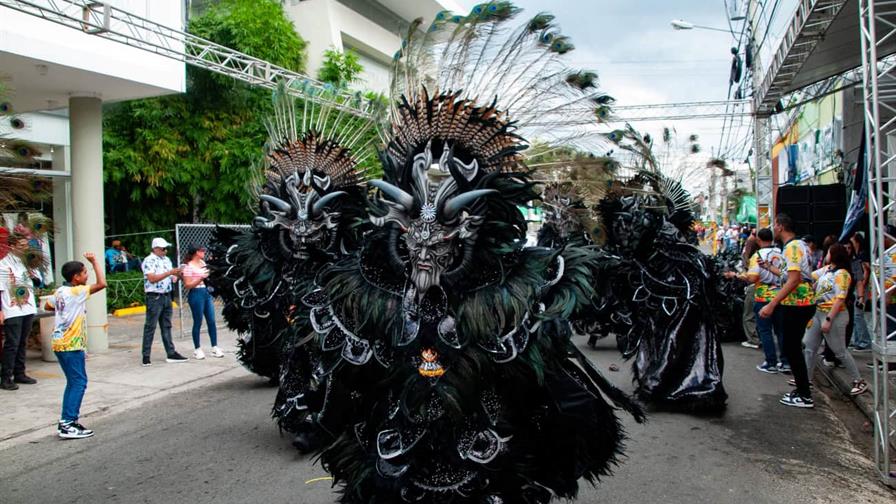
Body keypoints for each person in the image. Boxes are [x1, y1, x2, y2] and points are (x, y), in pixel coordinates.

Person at [44, 252, 107, 438]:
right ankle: (68, 423)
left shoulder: (60, 291)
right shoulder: (76, 292)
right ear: (76, 277)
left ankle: (67, 421)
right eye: (85, 273)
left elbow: (48, 306)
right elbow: (102, 284)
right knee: (79, 383)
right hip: (70, 345)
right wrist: (94, 261)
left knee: (74, 382)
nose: (87, 276)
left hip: (61, 342)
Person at [759, 213, 817, 408]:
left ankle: (804, 395)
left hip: (797, 303)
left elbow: (793, 280)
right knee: (792, 348)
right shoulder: (800, 245)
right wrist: (769, 267)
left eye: (774, 225)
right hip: (801, 302)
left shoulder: (792, 247)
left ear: (781, 227)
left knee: (792, 349)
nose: (773, 229)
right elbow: (789, 275)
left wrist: (771, 304)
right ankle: (802, 390)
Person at [800, 243, 868, 395]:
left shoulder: (842, 274)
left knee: (839, 351)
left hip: (834, 315)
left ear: (835, 254)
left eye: (829, 252)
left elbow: (840, 299)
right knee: (809, 346)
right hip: (818, 312)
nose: (826, 255)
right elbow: (807, 276)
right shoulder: (827, 269)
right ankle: (806, 379)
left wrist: (829, 319)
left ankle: (858, 381)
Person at [729, 228, 789, 373]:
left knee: (765, 331)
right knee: (780, 331)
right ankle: (785, 362)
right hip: (781, 295)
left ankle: (771, 363)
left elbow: (752, 278)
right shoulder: (781, 253)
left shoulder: (758, 255)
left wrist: (736, 275)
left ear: (758, 240)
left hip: (763, 296)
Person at [0, 233, 40, 390]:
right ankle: (6, 377)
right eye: (21, 245)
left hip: (28, 307)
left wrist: (33, 276)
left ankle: (20, 373)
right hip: (12, 309)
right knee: (12, 343)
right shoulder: (3, 265)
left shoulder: (26, 263)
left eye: (26, 245)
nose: (25, 248)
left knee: (22, 342)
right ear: (12, 246)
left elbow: (37, 282)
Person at [140, 237, 187, 366]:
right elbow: (152, 278)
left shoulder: (166, 260)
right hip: (154, 296)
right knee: (150, 326)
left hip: (166, 295)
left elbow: (172, 278)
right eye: (163, 249)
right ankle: (146, 355)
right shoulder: (149, 260)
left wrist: (178, 273)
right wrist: (169, 272)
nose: (165, 251)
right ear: (155, 249)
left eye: (166, 249)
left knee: (166, 325)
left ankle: (171, 352)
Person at [181, 245, 222, 360]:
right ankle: (197, 349)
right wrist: (200, 278)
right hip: (196, 293)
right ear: (195, 252)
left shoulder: (203, 263)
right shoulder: (188, 266)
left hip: (206, 292)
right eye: (201, 250)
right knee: (198, 321)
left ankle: (214, 346)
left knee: (211, 320)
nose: (204, 252)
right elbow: (187, 285)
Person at [848, 232, 872, 352]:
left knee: (858, 315)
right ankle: (858, 340)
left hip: (861, 286)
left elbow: (867, 269)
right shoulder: (857, 255)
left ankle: (864, 341)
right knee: (856, 315)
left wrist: (863, 283)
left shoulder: (862, 255)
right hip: (860, 286)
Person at [739, 234, 761, 349]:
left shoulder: (755, 257)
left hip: (755, 287)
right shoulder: (774, 252)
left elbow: (751, 277)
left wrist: (737, 275)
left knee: (749, 315)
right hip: (768, 289)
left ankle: (753, 340)